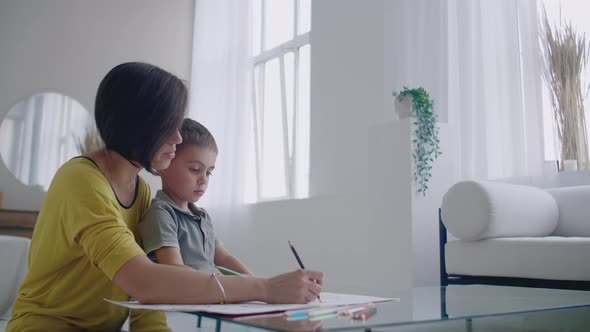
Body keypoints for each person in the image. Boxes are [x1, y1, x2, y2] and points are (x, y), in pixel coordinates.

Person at [7, 62, 323, 332]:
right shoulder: (81, 181)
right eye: (169, 126)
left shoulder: (141, 190)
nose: (178, 138)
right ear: (139, 124)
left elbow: (149, 295)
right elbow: (142, 280)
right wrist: (265, 288)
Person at [139, 118, 253, 276]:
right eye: (195, 169)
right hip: (184, 297)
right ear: (164, 165)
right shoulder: (161, 214)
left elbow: (225, 258)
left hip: (206, 295)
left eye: (208, 172)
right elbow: (175, 271)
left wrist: (257, 284)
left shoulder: (202, 217)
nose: (204, 180)